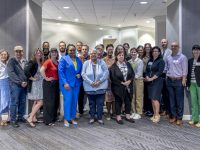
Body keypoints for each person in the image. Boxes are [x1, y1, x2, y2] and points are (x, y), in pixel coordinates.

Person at [82, 49, 109, 125]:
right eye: (91, 53)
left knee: (100, 103)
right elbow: (83, 74)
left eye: (95, 53)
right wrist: (91, 82)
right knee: (91, 103)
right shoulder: (86, 63)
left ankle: (100, 118)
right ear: (89, 55)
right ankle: (92, 117)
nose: (93, 55)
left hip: (101, 86)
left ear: (97, 54)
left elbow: (106, 72)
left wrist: (99, 81)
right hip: (90, 87)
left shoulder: (102, 62)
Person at [110, 45, 135, 124]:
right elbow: (113, 78)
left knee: (128, 101)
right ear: (116, 56)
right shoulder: (113, 67)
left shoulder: (128, 64)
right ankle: (118, 117)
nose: (121, 56)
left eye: (122, 55)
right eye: (119, 55)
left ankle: (128, 116)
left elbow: (132, 74)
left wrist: (129, 81)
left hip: (128, 86)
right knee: (118, 101)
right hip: (118, 87)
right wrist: (122, 83)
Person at [58, 44, 82, 127]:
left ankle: (72, 117)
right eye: (70, 50)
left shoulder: (78, 60)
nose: (72, 52)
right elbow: (60, 72)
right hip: (67, 84)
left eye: (73, 50)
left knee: (74, 101)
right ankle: (66, 118)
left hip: (76, 84)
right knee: (68, 101)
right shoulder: (64, 59)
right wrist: (65, 83)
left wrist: (80, 75)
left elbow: (80, 71)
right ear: (67, 51)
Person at [165, 42, 188, 125]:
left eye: (175, 46)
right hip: (170, 81)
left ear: (179, 47)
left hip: (179, 81)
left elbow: (185, 70)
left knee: (179, 100)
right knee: (171, 100)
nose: (173, 47)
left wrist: (184, 80)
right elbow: (166, 68)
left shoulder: (182, 57)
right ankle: (173, 116)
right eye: (172, 46)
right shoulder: (168, 57)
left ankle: (179, 118)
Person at [7, 46, 27, 128]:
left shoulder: (25, 61)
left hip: (24, 85)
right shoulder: (11, 61)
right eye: (17, 51)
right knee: (14, 102)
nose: (18, 53)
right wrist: (20, 82)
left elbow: (27, 72)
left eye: (20, 51)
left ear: (23, 52)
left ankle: (21, 117)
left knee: (22, 101)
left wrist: (26, 82)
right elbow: (11, 73)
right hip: (15, 85)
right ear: (14, 52)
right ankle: (13, 120)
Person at [144, 46, 165, 123]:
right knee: (152, 98)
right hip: (149, 82)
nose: (155, 52)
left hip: (157, 82)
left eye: (156, 51)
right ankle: (154, 114)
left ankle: (157, 115)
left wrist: (151, 78)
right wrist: (146, 76)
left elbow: (159, 72)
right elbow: (146, 70)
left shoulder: (161, 61)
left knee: (155, 98)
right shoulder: (150, 60)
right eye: (153, 51)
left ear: (159, 53)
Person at [24, 49, 43, 127]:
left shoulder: (40, 62)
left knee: (36, 101)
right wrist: (32, 78)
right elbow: (25, 71)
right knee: (41, 102)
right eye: (37, 53)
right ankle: (30, 117)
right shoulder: (32, 61)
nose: (39, 54)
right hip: (35, 84)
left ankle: (34, 118)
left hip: (40, 84)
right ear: (34, 54)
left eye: (40, 53)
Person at [40, 48, 59, 126]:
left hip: (56, 83)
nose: (54, 53)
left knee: (55, 101)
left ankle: (53, 118)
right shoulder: (48, 61)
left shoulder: (57, 62)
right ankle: (48, 120)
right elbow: (41, 70)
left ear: (57, 53)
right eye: (52, 52)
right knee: (49, 102)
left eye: (55, 52)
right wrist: (46, 78)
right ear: (50, 53)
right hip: (49, 84)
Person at [187, 45, 200, 128]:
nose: (196, 51)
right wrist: (188, 83)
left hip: (199, 84)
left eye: (197, 50)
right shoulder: (190, 61)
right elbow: (188, 72)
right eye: (194, 50)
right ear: (192, 51)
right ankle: (194, 119)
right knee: (193, 102)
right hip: (192, 84)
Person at [129, 48, 144, 120]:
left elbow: (139, 72)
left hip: (138, 80)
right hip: (131, 81)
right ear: (130, 53)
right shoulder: (129, 61)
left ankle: (139, 112)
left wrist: (132, 78)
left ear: (137, 53)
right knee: (132, 96)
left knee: (138, 96)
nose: (133, 53)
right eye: (132, 52)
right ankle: (133, 111)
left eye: (134, 52)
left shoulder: (140, 61)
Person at [160, 39, 172, 116]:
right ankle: (164, 109)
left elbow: (170, 64)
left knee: (167, 93)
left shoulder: (170, 52)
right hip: (160, 74)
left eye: (165, 42)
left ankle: (168, 110)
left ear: (167, 43)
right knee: (162, 93)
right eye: (162, 42)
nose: (163, 43)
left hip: (166, 74)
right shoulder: (160, 51)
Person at [104, 44, 115, 120]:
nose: (110, 51)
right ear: (106, 50)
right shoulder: (103, 59)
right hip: (107, 81)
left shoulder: (115, 59)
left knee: (114, 98)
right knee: (108, 98)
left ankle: (113, 112)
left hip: (115, 81)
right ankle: (108, 113)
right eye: (109, 49)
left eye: (111, 49)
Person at [78, 44, 90, 116]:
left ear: (88, 50)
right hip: (81, 80)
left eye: (86, 49)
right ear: (81, 50)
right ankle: (80, 110)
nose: (84, 51)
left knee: (89, 95)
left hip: (89, 80)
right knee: (81, 96)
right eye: (83, 49)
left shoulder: (90, 58)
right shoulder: (78, 58)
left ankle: (91, 110)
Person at [0, 49, 11, 126]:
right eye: (2, 54)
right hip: (2, 82)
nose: (4, 56)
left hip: (8, 82)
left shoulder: (7, 63)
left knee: (9, 101)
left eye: (5, 54)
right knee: (3, 101)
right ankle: (1, 119)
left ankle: (6, 119)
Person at [143, 43, 153, 117]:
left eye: (148, 47)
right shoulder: (143, 57)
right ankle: (146, 109)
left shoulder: (153, 57)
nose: (147, 48)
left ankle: (151, 109)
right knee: (145, 93)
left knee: (151, 94)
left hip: (151, 76)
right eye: (146, 47)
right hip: (144, 76)